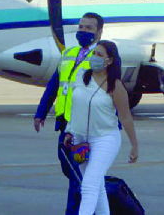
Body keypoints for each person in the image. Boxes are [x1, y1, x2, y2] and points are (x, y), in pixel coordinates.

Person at [34, 12, 104, 214]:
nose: (83, 31)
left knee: (78, 176)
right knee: (71, 170)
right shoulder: (69, 53)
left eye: (89, 28)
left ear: (99, 32)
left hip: (85, 128)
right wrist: (41, 112)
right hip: (65, 124)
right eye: (81, 27)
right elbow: (55, 84)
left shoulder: (100, 58)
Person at [64, 40, 140, 215]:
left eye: (100, 55)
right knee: (97, 186)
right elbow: (75, 107)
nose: (95, 58)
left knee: (89, 184)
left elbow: (125, 116)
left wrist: (134, 145)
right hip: (80, 140)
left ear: (110, 60)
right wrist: (70, 130)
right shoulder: (82, 76)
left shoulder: (115, 86)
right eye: (94, 54)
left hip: (104, 139)